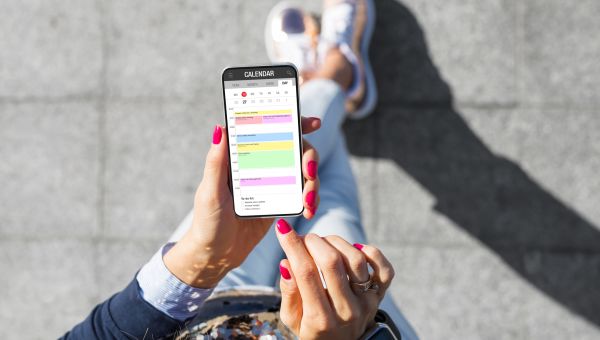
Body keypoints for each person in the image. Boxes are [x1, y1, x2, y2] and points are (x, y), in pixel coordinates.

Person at [62, 0, 418, 339]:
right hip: (341, 320)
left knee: (318, 185)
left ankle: (331, 79)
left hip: (208, 301)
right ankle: (334, 75)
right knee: (338, 220)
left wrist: (200, 261)